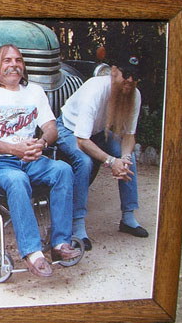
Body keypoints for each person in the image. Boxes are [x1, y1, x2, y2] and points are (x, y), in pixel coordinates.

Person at [0, 44, 80, 278]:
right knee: (17, 180)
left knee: (63, 170)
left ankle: (59, 244)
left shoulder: (34, 92)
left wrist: (42, 143)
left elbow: (51, 128)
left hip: (31, 159)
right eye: (7, 60)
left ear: (23, 67)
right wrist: (14, 149)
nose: (13, 64)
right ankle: (32, 253)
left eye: (18, 60)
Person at [55, 50, 147, 252]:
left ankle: (128, 217)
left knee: (128, 156)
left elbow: (129, 136)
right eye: (126, 74)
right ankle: (77, 226)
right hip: (67, 129)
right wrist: (110, 162)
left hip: (96, 132)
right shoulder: (96, 90)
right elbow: (81, 141)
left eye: (135, 76)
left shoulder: (135, 95)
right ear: (114, 71)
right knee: (85, 161)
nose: (130, 80)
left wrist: (122, 159)